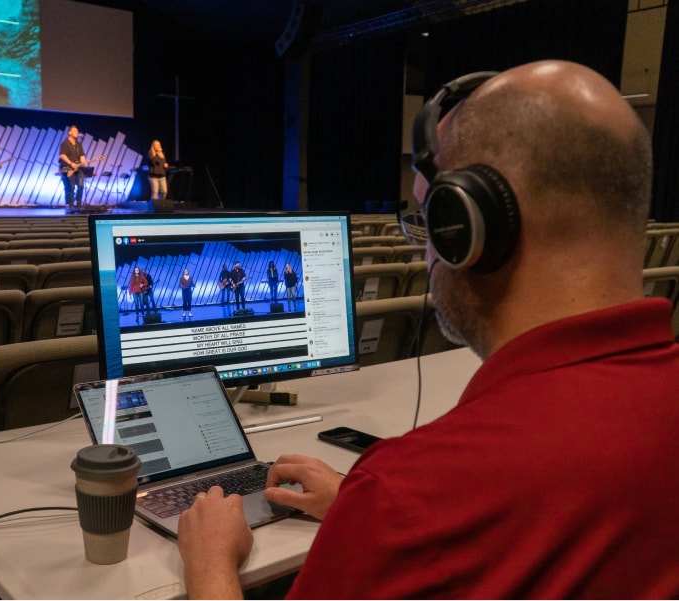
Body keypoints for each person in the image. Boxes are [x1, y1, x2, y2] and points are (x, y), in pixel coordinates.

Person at [176, 60, 679, 599]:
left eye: (424, 218)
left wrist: (210, 564)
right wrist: (364, 508)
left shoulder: (409, 492)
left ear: (463, 229)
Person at [58, 125, 87, 214]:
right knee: (70, 187)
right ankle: (70, 205)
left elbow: (82, 156)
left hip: (78, 168)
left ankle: (78, 204)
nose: (77, 133)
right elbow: (62, 155)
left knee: (81, 186)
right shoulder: (65, 143)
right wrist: (71, 163)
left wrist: (83, 162)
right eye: (75, 131)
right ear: (69, 133)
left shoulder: (79, 144)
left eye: (77, 131)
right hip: (67, 168)